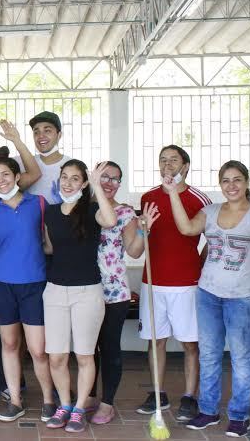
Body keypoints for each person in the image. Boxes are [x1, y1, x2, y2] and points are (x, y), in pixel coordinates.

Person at [163, 161, 250, 437]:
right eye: (226, 180)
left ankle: (239, 416)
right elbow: (187, 229)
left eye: (237, 180)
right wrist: (171, 193)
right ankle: (208, 411)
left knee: (241, 358)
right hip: (208, 295)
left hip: (242, 298)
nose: (232, 185)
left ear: (247, 183)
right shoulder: (210, 211)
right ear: (220, 184)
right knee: (210, 355)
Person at [136, 145, 211, 421]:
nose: (167, 165)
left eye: (173, 160)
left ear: (186, 166)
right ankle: (158, 394)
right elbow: (144, 237)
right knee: (156, 341)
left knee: (190, 343)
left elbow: (212, 241)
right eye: (162, 160)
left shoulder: (199, 199)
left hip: (186, 283)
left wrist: (198, 265)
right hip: (152, 281)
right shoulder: (148, 197)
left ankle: (190, 396)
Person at [41, 161, 117, 433]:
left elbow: (111, 221)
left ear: (84, 184)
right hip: (55, 291)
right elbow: (49, 247)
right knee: (56, 357)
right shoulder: (49, 212)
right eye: (64, 177)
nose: (68, 183)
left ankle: (80, 408)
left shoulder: (93, 210)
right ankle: (64, 405)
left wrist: (97, 185)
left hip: (87, 292)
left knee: (84, 355)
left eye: (75, 179)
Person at [0, 157, 55, 423]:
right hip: (3, 287)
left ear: (17, 176)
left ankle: (48, 400)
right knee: (9, 345)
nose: (1, 180)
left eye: (5, 174)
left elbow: (50, 244)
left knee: (38, 350)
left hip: (35, 286)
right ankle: (15, 401)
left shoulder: (39, 204)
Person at [89, 162, 151, 425]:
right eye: (104, 177)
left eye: (115, 179)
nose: (109, 183)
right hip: (84, 289)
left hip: (114, 292)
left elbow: (135, 251)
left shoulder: (125, 212)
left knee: (109, 347)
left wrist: (142, 230)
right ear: (93, 177)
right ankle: (89, 396)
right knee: (86, 348)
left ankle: (107, 402)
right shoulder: (81, 207)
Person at [14, 111, 71, 204]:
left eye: (47, 130)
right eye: (36, 132)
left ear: (59, 135)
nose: (41, 136)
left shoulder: (72, 165)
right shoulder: (23, 162)